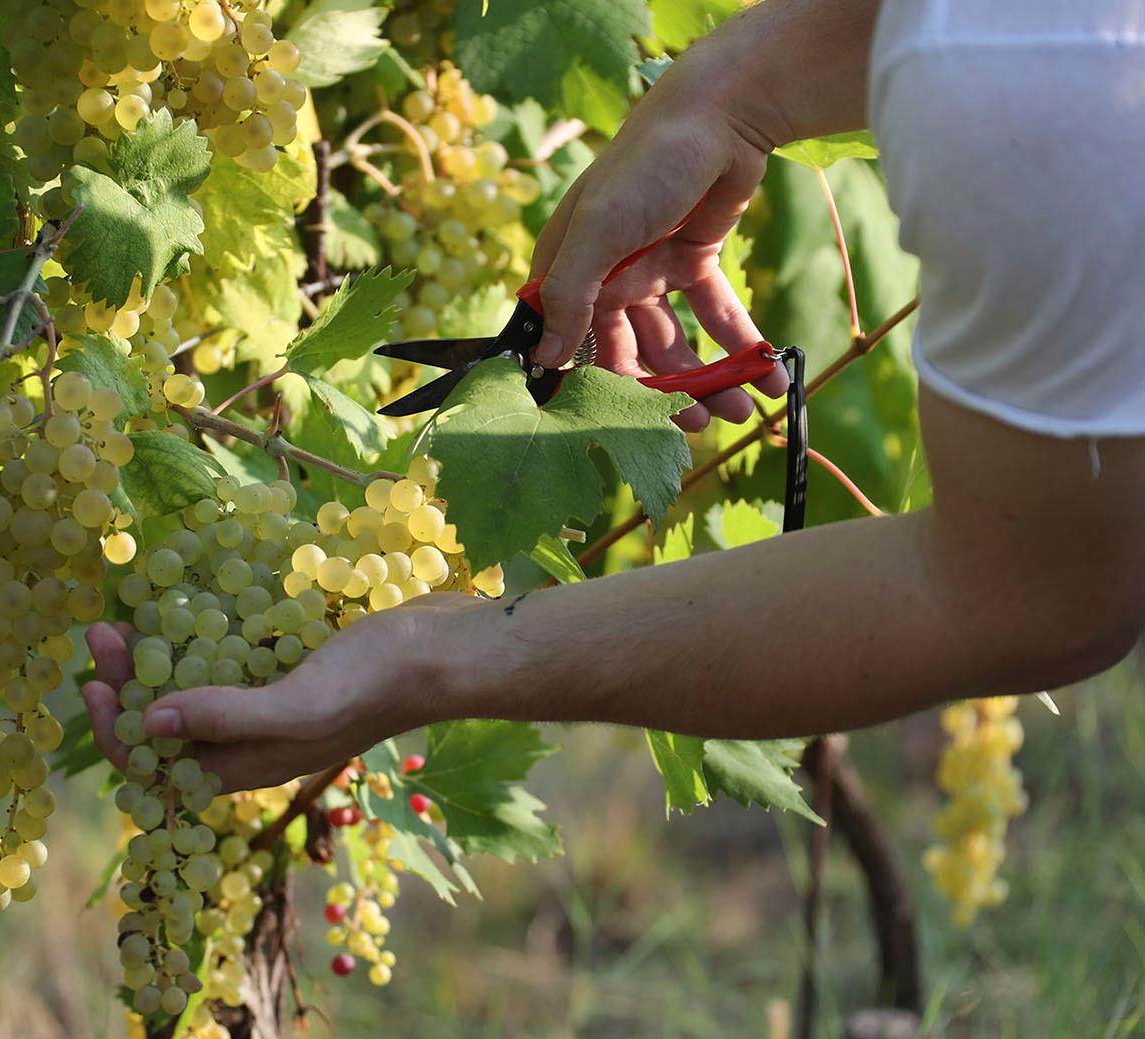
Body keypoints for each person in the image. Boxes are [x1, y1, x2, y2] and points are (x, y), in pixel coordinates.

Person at [82, 0, 1145, 791]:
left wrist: (428, 658)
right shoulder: (1018, 62)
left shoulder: (1036, 97)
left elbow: (1034, 601)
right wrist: (723, 91)